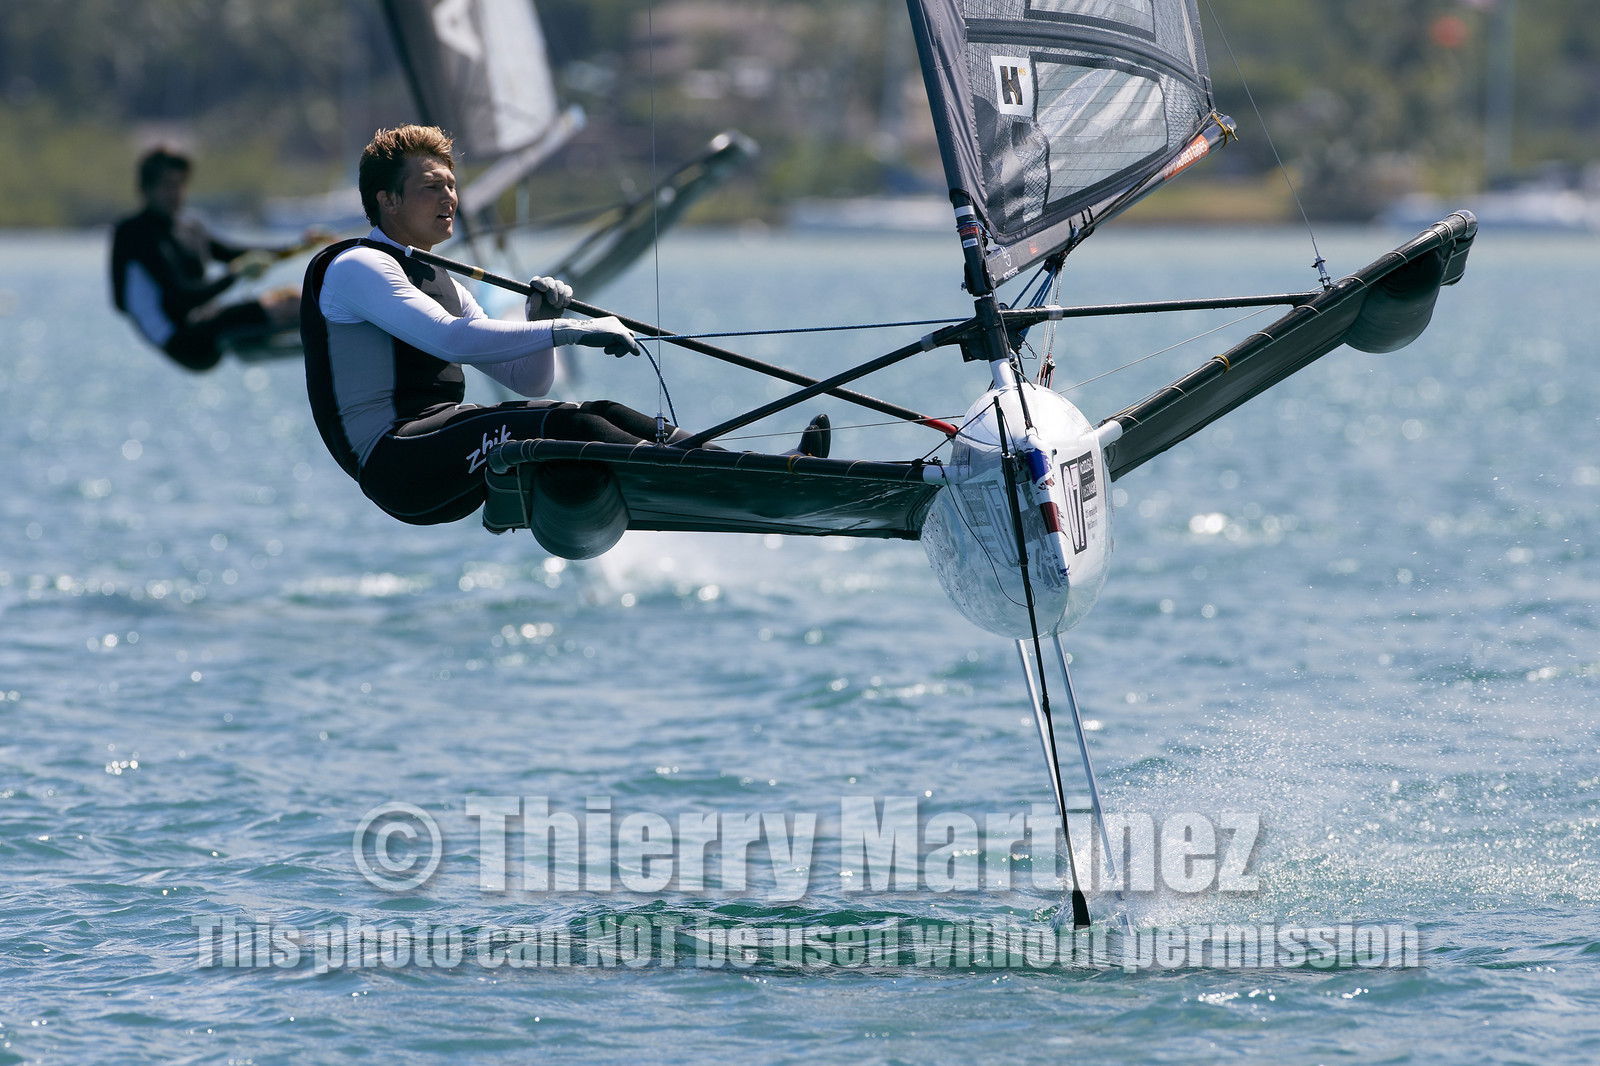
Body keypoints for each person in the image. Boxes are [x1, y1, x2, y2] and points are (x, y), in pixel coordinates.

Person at [301, 124, 827, 526]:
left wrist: (543, 318)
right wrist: (573, 330)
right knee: (568, 426)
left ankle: (758, 469)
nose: (448, 199)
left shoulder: (443, 278)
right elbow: (449, 338)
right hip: (395, 462)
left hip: (438, 447)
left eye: (452, 185)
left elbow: (529, 380)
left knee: (595, 412)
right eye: (429, 188)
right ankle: (742, 490)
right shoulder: (356, 267)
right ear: (386, 200)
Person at [110, 147, 310, 371]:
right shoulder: (134, 233)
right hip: (181, 341)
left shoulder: (189, 227)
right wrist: (236, 274)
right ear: (145, 189)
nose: (175, 193)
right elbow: (181, 297)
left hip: (206, 324)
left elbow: (235, 254)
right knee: (294, 306)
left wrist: (298, 247)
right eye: (167, 185)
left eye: (180, 185)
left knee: (296, 298)